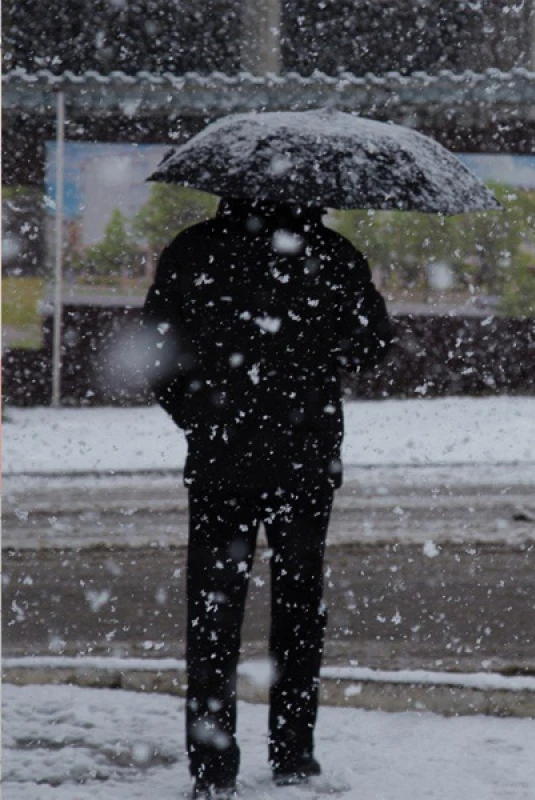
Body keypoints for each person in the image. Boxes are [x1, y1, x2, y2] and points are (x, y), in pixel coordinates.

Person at [142, 198, 393, 799]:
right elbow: (372, 347)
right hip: (304, 459)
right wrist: (324, 343)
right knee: (300, 609)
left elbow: (154, 353)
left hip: (221, 460)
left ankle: (212, 768)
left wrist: (201, 418)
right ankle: (294, 754)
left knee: (212, 615)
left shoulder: (194, 250)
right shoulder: (331, 254)